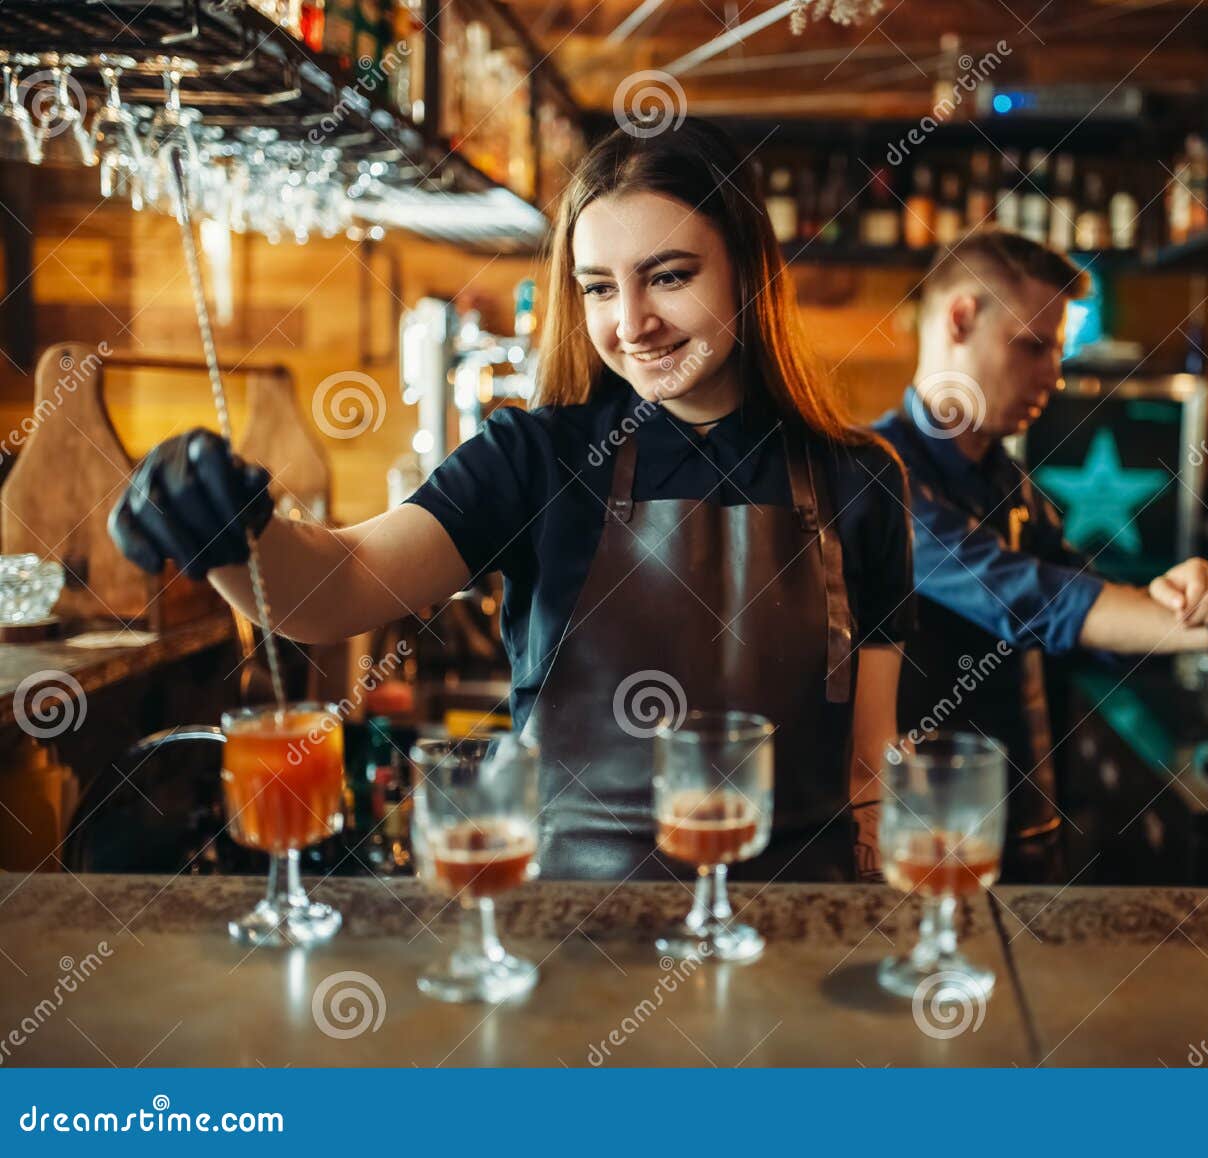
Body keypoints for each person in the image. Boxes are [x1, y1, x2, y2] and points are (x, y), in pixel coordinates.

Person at [109, 116, 913, 883]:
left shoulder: (861, 480)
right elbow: (341, 582)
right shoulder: (536, 458)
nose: (632, 323)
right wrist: (238, 533)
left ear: (746, 267)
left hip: (790, 933)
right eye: (599, 288)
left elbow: (868, 765)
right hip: (568, 929)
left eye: (669, 277)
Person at [873, 229, 1208, 881]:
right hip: (924, 838)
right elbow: (1026, 598)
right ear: (959, 318)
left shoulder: (1008, 483)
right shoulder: (874, 475)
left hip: (1026, 828)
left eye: (1055, 351)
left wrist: (1176, 597)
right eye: (1033, 346)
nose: (1053, 375)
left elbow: (1089, 624)